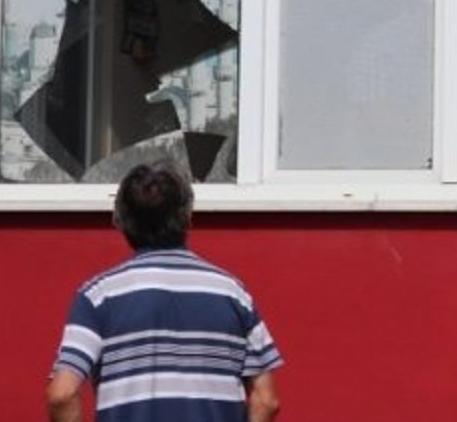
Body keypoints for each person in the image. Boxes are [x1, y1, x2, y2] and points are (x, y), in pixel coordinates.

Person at [46, 164, 283, 421]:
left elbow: (62, 394)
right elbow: (266, 401)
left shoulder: (97, 296)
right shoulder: (233, 294)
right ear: (188, 217)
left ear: (120, 221)